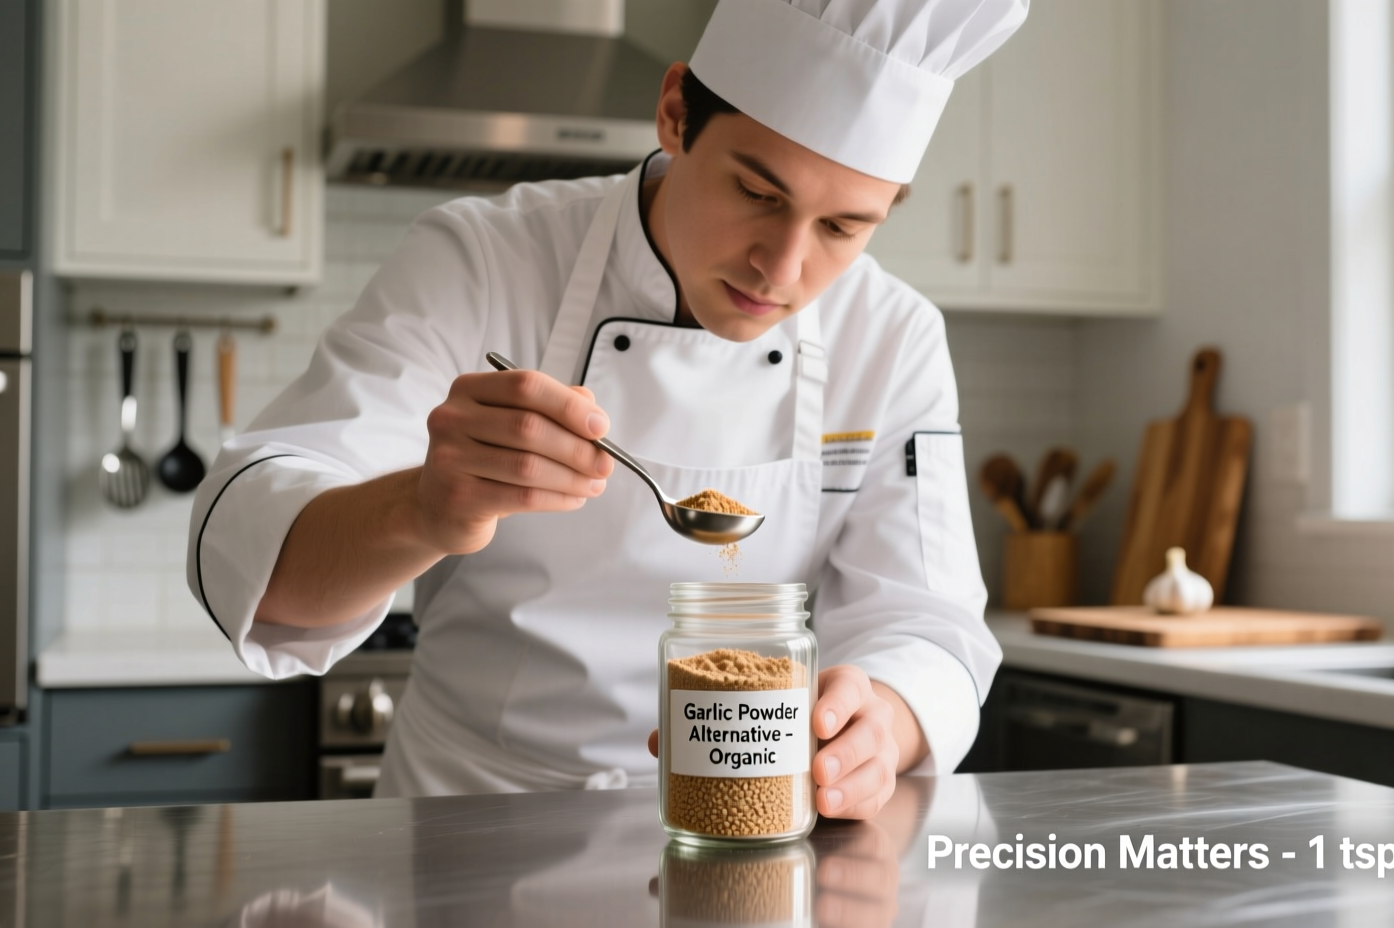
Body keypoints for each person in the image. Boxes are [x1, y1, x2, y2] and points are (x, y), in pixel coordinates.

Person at [187, 0, 1029, 819]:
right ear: (673, 114)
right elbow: (262, 565)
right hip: (469, 825)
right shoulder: (479, 263)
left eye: (844, 228)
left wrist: (885, 717)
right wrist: (422, 506)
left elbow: (930, 622)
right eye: (757, 194)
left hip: (743, 829)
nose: (783, 267)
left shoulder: (893, 338)